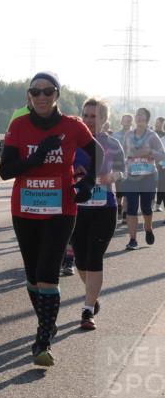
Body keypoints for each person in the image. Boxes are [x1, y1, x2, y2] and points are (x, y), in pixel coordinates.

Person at [0, 72, 102, 367]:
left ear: (57, 93)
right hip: (26, 210)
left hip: (61, 210)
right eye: (36, 92)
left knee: (48, 272)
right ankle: (48, 322)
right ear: (29, 96)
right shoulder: (19, 125)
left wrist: (88, 182)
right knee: (32, 277)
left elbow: (97, 151)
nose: (42, 97)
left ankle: (43, 338)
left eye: (48, 91)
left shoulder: (72, 125)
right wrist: (37, 157)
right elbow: (6, 170)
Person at [70, 98, 125, 329]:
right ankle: (92, 295)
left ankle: (87, 309)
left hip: (104, 209)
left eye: (94, 116)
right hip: (76, 210)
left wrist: (112, 177)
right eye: (86, 115)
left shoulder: (112, 143)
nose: (89, 120)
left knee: (94, 258)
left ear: (104, 120)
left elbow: (123, 169)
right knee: (81, 260)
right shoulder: (72, 143)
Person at [120, 107, 165, 248]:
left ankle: (148, 228)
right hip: (131, 177)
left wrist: (150, 152)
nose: (139, 117)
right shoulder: (128, 135)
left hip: (148, 178)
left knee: (146, 209)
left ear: (147, 118)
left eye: (142, 115)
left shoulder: (152, 136)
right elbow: (122, 154)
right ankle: (132, 240)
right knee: (132, 208)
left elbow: (163, 155)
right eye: (137, 115)